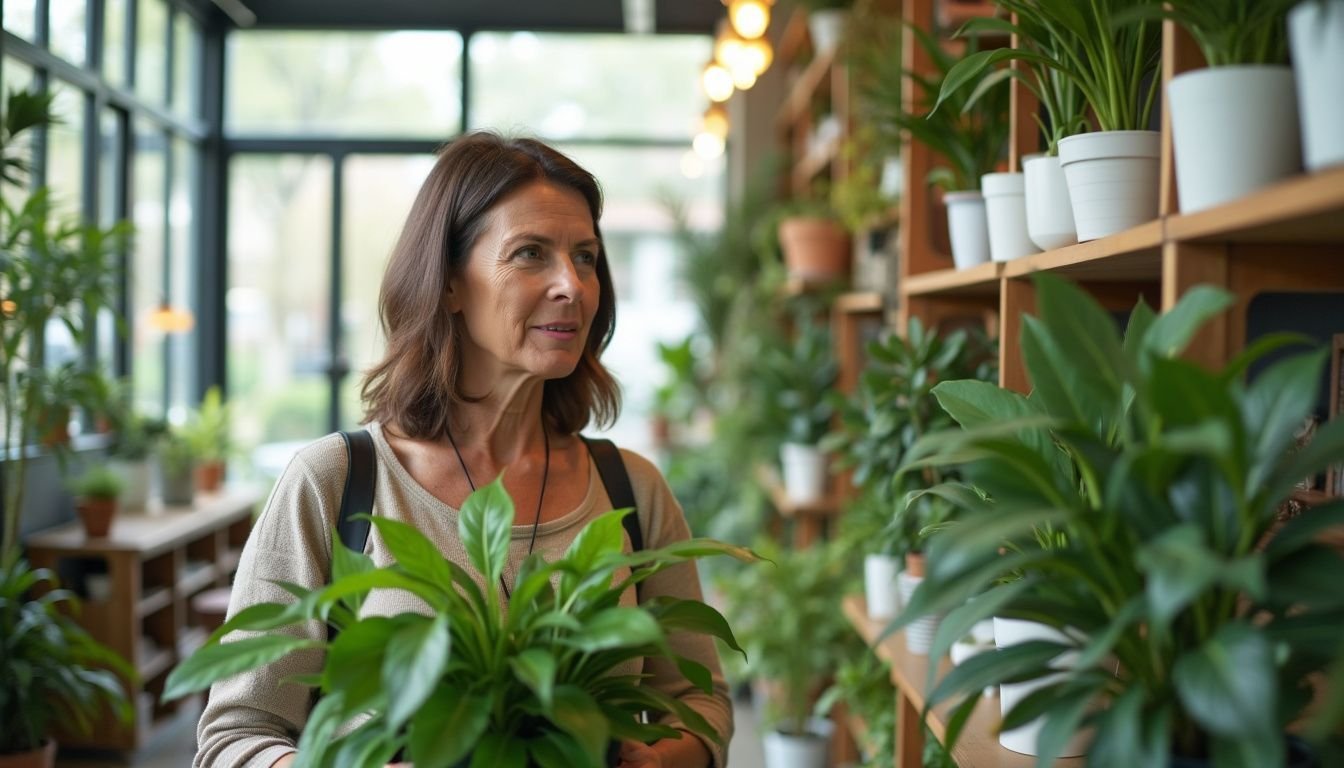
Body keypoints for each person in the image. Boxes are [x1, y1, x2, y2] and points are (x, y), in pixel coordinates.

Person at [195, 132, 732, 767]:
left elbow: (702, 703)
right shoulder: (337, 482)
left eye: (585, 257)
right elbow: (237, 735)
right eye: (531, 253)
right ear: (448, 283)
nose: (572, 285)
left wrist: (655, 760)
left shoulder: (631, 489)